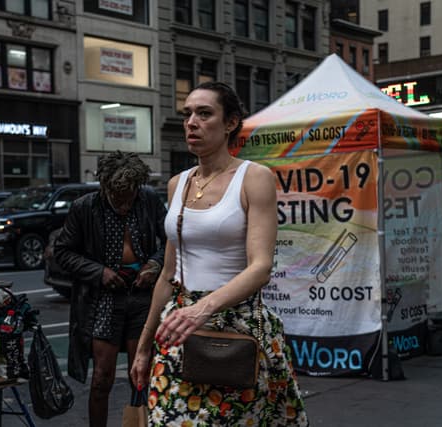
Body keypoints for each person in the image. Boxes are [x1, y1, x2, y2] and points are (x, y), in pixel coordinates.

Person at [130, 82, 309, 426]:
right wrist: (143, 346)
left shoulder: (253, 177)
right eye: (188, 114)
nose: (191, 122)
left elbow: (260, 267)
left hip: (235, 329)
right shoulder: (177, 183)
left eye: (204, 113)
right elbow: (169, 274)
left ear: (230, 123)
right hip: (178, 329)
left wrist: (203, 308)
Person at [54, 151, 168, 427]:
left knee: (140, 375)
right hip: (103, 298)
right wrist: (99, 272)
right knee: (101, 378)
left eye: (130, 198)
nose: (125, 205)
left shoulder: (149, 200)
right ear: (105, 187)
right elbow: (63, 252)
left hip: (142, 297)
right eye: (118, 199)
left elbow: (172, 242)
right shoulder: (84, 207)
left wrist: (154, 263)